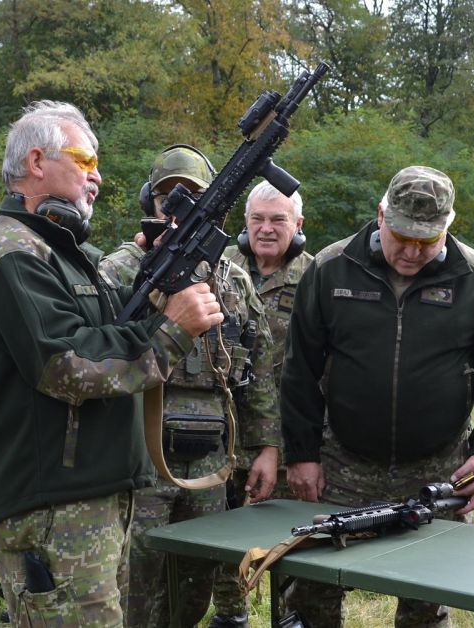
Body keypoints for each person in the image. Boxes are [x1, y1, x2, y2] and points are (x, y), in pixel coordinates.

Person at [0, 101, 223, 627]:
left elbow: (112, 328)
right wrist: (173, 330)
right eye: (85, 161)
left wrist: (161, 279)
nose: (97, 177)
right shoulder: (15, 254)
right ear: (37, 161)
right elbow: (68, 365)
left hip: (90, 497)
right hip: (54, 508)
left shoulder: (63, 252)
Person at [280, 165, 474, 628]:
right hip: (343, 464)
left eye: (426, 240)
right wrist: (302, 454)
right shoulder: (331, 268)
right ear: (380, 216)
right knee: (312, 591)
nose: (412, 251)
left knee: (426, 599)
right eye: (402, 236)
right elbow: (299, 371)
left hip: (437, 468)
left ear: (448, 227)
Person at [100, 145, 281, 628]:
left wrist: (266, 447)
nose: (178, 209)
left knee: (195, 582)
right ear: (150, 203)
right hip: (140, 454)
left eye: (193, 197)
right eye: (167, 199)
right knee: (134, 580)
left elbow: (259, 368)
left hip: (209, 461)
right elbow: (98, 354)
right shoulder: (122, 270)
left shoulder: (233, 280)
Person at [210, 180, 313, 627]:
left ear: (298, 224)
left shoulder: (316, 276)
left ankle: (291, 618)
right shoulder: (218, 267)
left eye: (278, 219)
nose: (266, 228)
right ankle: (231, 614)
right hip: (223, 436)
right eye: (258, 219)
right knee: (223, 535)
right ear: (245, 222)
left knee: (291, 543)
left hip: (290, 440)